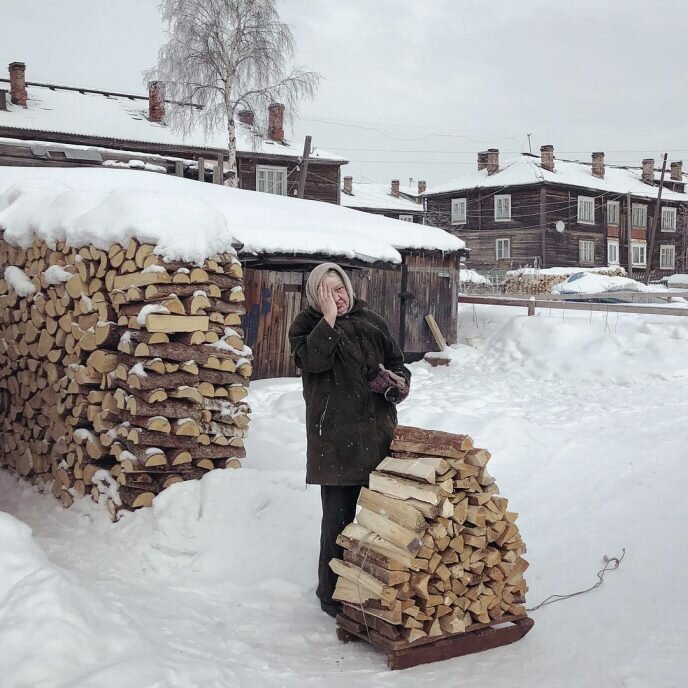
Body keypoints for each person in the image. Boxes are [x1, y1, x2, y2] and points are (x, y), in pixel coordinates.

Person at [288, 262, 411, 617]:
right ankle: (332, 596)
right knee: (339, 522)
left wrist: (395, 382)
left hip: (378, 435)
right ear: (315, 295)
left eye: (339, 289)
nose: (336, 297)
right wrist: (327, 320)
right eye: (327, 291)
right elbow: (311, 361)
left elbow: (399, 363)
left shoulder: (371, 321)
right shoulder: (307, 327)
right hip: (336, 442)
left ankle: (376, 588)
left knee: (381, 520)